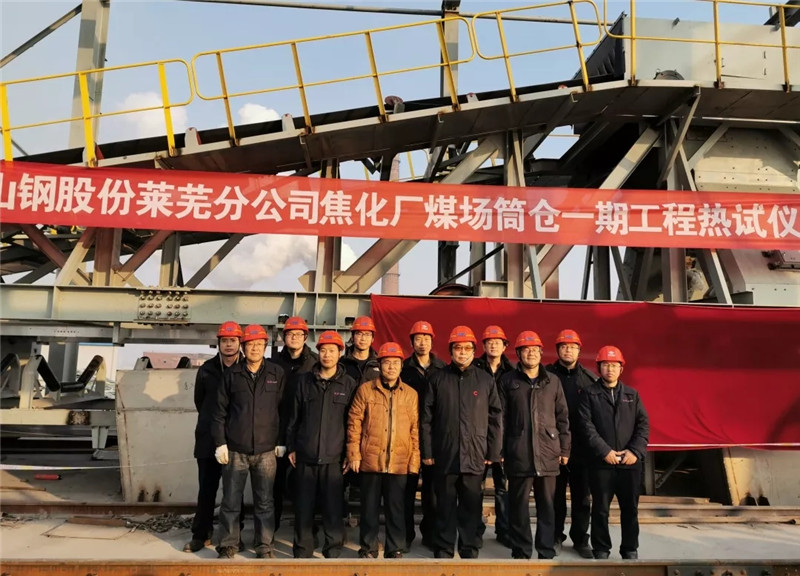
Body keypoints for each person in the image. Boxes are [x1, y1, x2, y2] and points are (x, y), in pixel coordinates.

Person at [421, 325, 502, 559]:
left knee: (471, 504)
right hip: (445, 453)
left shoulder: (485, 380)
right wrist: (428, 451)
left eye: (467, 348)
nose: (462, 352)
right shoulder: (438, 379)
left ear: (474, 351)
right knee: (444, 504)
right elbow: (426, 418)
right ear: (451, 351)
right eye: (458, 348)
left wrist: (493, 452)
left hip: (475, 454)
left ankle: (469, 546)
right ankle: (444, 546)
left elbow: (496, 417)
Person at [211, 324, 286, 559]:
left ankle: (264, 545)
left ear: (265, 346)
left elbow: (284, 410)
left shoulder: (277, 374)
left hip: (266, 450)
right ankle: (228, 544)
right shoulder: (231, 375)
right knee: (231, 501)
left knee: (265, 502)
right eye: (250, 344)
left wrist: (281, 440)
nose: (255, 348)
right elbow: (218, 412)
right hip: (236, 449)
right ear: (243, 347)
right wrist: (220, 443)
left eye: (259, 344)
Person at [286, 330, 358, 559]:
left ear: (340, 353)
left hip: (334, 458)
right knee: (303, 507)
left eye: (332, 350)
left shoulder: (349, 384)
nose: (327, 355)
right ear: (318, 353)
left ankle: (333, 549)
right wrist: (292, 447)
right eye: (323, 350)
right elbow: (294, 418)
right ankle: (302, 550)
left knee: (333, 508)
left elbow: (353, 422)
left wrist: (350, 453)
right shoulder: (304, 381)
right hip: (306, 455)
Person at [499, 331, 570, 560]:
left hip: (548, 452)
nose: (531, 353)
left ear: (541, 352)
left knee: (547, 506)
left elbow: (562, 417)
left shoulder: (553, 381)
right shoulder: (508, 381)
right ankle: (521, 551)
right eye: (526, 350)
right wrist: (501, 449)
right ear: (518, 353)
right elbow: (500, 419)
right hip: (518, 452)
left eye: (534, 349)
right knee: (518, 506)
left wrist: (565, 448)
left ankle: (545, 551)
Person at [346, 341, 420, 559]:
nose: (391, 367)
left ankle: (394, 547)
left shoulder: (410, 394)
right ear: (380, 365)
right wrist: (354, 453)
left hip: (399, 461)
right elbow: (354, 422)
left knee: (396, 508)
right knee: (369, 508)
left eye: (396, 363)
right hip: (370, 459)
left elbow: (415, 429)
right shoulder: (365, 390)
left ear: (401, 366)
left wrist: (414, 461)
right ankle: (368, 547)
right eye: (387, 363)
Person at [579, 345, 649, 560]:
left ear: (621, 368)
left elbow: (643, 425)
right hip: (602, 463)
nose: (610, 369)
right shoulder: (589, 394)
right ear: (599, 368)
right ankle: (601, 548)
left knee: (630, 509)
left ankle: (630, 548)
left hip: (629, 463)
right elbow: (586, 426)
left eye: (614, 365)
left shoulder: (632, 395)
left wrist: (634, 452)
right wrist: (604, 451)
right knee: (600, 509)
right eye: (606, 365)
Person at [184, 321, 243, 553]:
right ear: (218, 343)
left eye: (233, 340)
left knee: (234, 493)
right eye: (224, 340)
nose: (229, 345)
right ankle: (201, 535)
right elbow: (200, 402)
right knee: (206, 490)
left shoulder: (245, 369)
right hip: (208, 440)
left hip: (236, 440)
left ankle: (234, 536)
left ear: (240, 343)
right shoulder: (207, 370)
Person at [546, 329, 596, 558]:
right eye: (564, 346)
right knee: (555, 496)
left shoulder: (588, 380)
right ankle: (555, 536)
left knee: (582, 497)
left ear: (579, 350)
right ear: (557, 350)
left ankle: (580, 538)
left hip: (581, 449)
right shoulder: (546, 376)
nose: (568, 350)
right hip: (552, 446)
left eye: (573, 347)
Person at [400, 320, 445, 550]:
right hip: (406, 436)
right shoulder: (403, 368)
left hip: (432, 437)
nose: (422, 342)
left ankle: (430, 534)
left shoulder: (442, 369)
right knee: (406, 489)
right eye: (418, 338)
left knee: (432, 491)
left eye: (426, 338)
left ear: (432, 341)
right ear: (412, 342)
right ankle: (405, 535)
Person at [271, 316, 318, 532]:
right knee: (274, 483)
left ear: (305, 337)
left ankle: (307, 529)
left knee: (306, 485)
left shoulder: (315, 363)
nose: (294, 338)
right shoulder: (273, 364)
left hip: (304, 432)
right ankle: (270, 528)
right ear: (284, 337)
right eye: (290, 334)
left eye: (299, 334)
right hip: (276, 431)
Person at [473, 325, 515, 548]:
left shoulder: (512, 372)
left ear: (505, 346)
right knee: (475, 487)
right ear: (483, 345)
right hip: (478, 437)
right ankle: (474, 530)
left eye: (497, 342)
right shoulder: (474, 368)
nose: (493, 346)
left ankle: (504, 530)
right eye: (489, 342)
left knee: (503, 488)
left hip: (504, 438)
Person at [342, 316, 380, 383]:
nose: (363, 339)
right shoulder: (342, 363)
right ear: (352, 337)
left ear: (372, 339)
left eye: (367, 334)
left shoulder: (379, 364)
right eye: (359, 334)